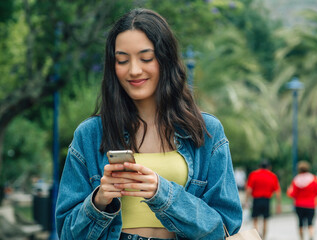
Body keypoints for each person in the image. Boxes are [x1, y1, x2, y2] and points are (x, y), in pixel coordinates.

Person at [55, 8, 242, 240]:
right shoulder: (90, 134)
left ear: (166, 60)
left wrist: (162, 193)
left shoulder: (206, 131)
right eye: (122, 60)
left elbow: (225, 226)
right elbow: (66, 233)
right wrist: (99, 200)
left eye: (146, 58)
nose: (134, 70)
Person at [244, 160, 281, 239]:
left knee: (255, 220)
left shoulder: (253, 174)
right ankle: (263, 238)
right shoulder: (272, 176)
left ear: (259, 166)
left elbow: (249, 189)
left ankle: (257, 237)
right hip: (266, 200)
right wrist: (278, 205)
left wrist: (246, 201)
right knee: (265, 221)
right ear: (269, 167)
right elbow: (278, 192)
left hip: (256, 200)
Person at [287, 161, 317, 240]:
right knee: (310, 223)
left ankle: (301, 238)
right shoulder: (313, 179)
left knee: (300, 223)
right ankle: (311, 236)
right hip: (311, 205)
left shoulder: (296, 180)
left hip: (299, 205)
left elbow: (291, 194)